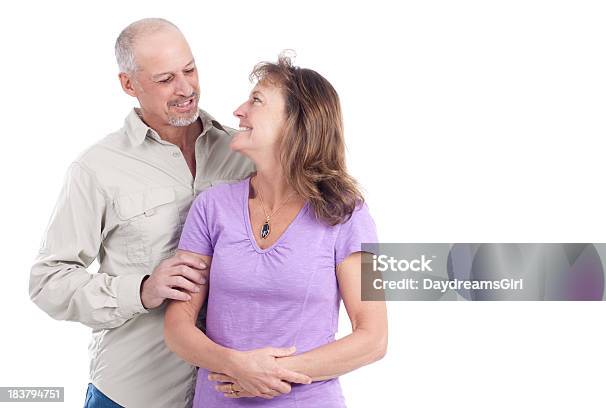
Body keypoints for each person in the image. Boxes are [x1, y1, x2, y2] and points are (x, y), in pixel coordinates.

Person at [27, 18, 286, 407]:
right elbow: (46, 282)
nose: (186, 89)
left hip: (230, 391)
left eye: (190, 70)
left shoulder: (244, 153)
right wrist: (142, 289)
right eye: (165, 79)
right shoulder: (96, 168)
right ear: (129, 85)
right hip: (132, 393)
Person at [164, 54, 388, 407]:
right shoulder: (211, 207)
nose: (239, 111)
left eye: (256, 100)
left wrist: (269, 373)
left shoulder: (349, 214)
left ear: (296, 122)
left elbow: (373, 338)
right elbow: (178, 327)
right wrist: (235, 365)